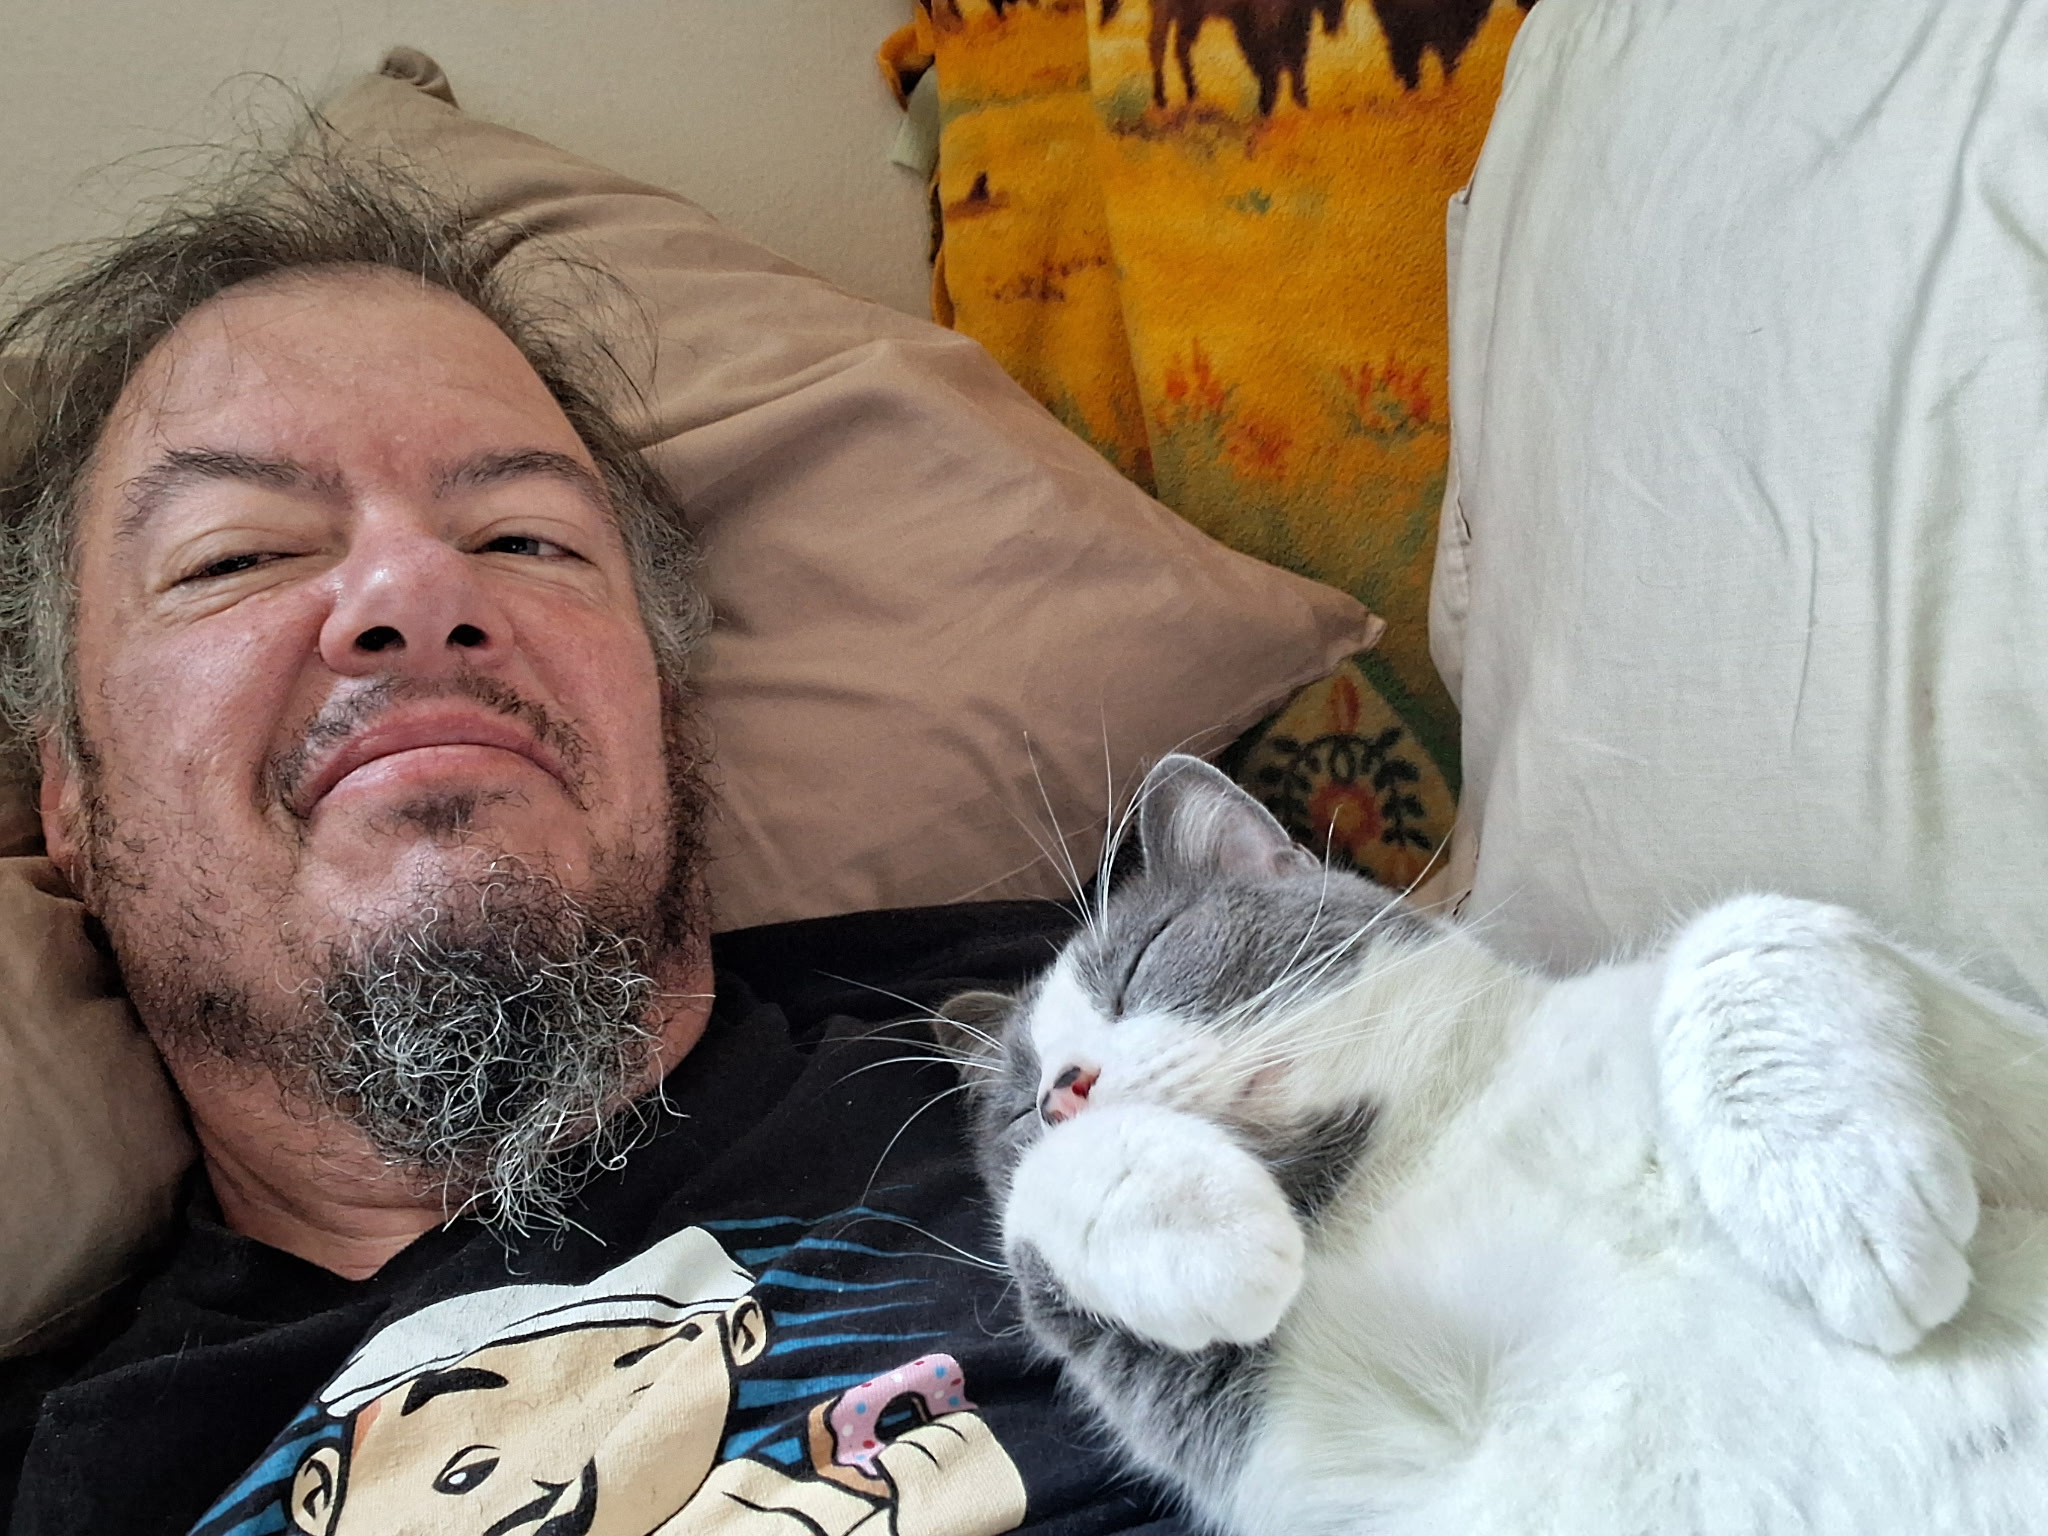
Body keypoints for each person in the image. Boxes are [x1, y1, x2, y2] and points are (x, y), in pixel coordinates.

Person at [0, 151, 1177, 1536]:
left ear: (664, 705)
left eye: (525, 538)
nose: (417, 589)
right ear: (67, 792)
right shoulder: (78, 1478)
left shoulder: (1109, 1026)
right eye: (238, 555)